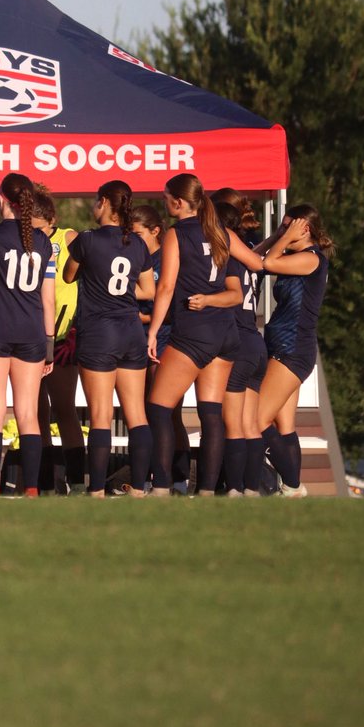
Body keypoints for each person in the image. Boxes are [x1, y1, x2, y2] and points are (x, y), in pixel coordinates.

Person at [146, 173, 251, 497]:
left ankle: (162, 486)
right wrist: (281, 239)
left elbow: (165, 288)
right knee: (210, 413)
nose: (165, 205)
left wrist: (152, 332)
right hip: (226, 333)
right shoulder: (222, 232)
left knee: (159, 407)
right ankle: (206, 490)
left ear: (178, 202)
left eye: (166, 199)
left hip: (194, 331)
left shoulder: (177, 234)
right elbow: (257, 264)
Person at [0, 173, 54, 497]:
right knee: (28, 414)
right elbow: (49, 300)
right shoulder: (44, 242)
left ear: (0, 198)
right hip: (31, 334)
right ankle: (31, 489)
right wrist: (50, 347)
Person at [64, 180, 155, 497]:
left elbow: (68, 275)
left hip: (99, 332)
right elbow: (149, 290)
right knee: (137, 415)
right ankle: (140, 488)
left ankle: (98, 490)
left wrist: (77, 247)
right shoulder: (138, 244)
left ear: (103, 202)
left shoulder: (87, 239)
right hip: (130, 331)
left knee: (101, 415)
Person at [257, 204, 334, 498]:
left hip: (292, 348)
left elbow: (267, 264)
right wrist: (278, 234)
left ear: (305, 229)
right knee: (285, 424)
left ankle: (292, 485)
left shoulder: (311, 259)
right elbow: (258, 257)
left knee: (256, 419)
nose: (284, 230)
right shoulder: (292, 254)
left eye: (290, 226)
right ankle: (292, 489)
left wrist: (282, 239)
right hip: (282, 344)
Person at [132, 203, 190, 488]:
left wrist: (140, 316)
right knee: (144, 411)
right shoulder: (132, 258)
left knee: (166, 412)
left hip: (165, 342)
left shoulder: (164, 259)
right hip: (138, 343)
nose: (131, 239)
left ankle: (176, 478)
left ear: (156, 231)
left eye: (138, 233)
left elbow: (170, 307)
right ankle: (148, 477)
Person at [31, 184, 84, 494]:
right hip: (31, 337)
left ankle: (77, 481)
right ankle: (45, 485)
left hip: (62, 339)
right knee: (34, 414)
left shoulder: (68, 238)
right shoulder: (27, 242)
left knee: (64, 410)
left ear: (49, 219)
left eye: (38, 227)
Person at [214, 201, 268, 496]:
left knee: (232, 424)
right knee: (250, 426)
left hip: (238, 343)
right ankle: (251, 488)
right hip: (256, 341)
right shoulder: (248, 257)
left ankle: (234, 488)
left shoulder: (228, 260)